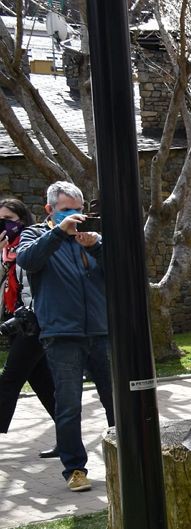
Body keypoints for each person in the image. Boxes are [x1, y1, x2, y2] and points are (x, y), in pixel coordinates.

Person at [15, 182, 113, 492]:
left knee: (116, 400)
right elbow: (27, 260)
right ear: (49, 210)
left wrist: (96, 245)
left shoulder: (92, 239)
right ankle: (74, 468)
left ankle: (124, 456)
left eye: (78, 210)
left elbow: (122, 271)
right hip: (61, 335)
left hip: (99, 331)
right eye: (65, 210)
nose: (73, 216)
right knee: (69, 405)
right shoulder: (34, 235)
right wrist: (59, 233)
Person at [0, 197, 57, 455]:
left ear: (21, 220)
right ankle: (70, 437)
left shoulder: (31, 244)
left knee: (9, 380)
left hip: (34, 323)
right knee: (43, 382)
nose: (3, 225)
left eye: (8, 220)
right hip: (16, 322)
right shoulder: (4, 249)